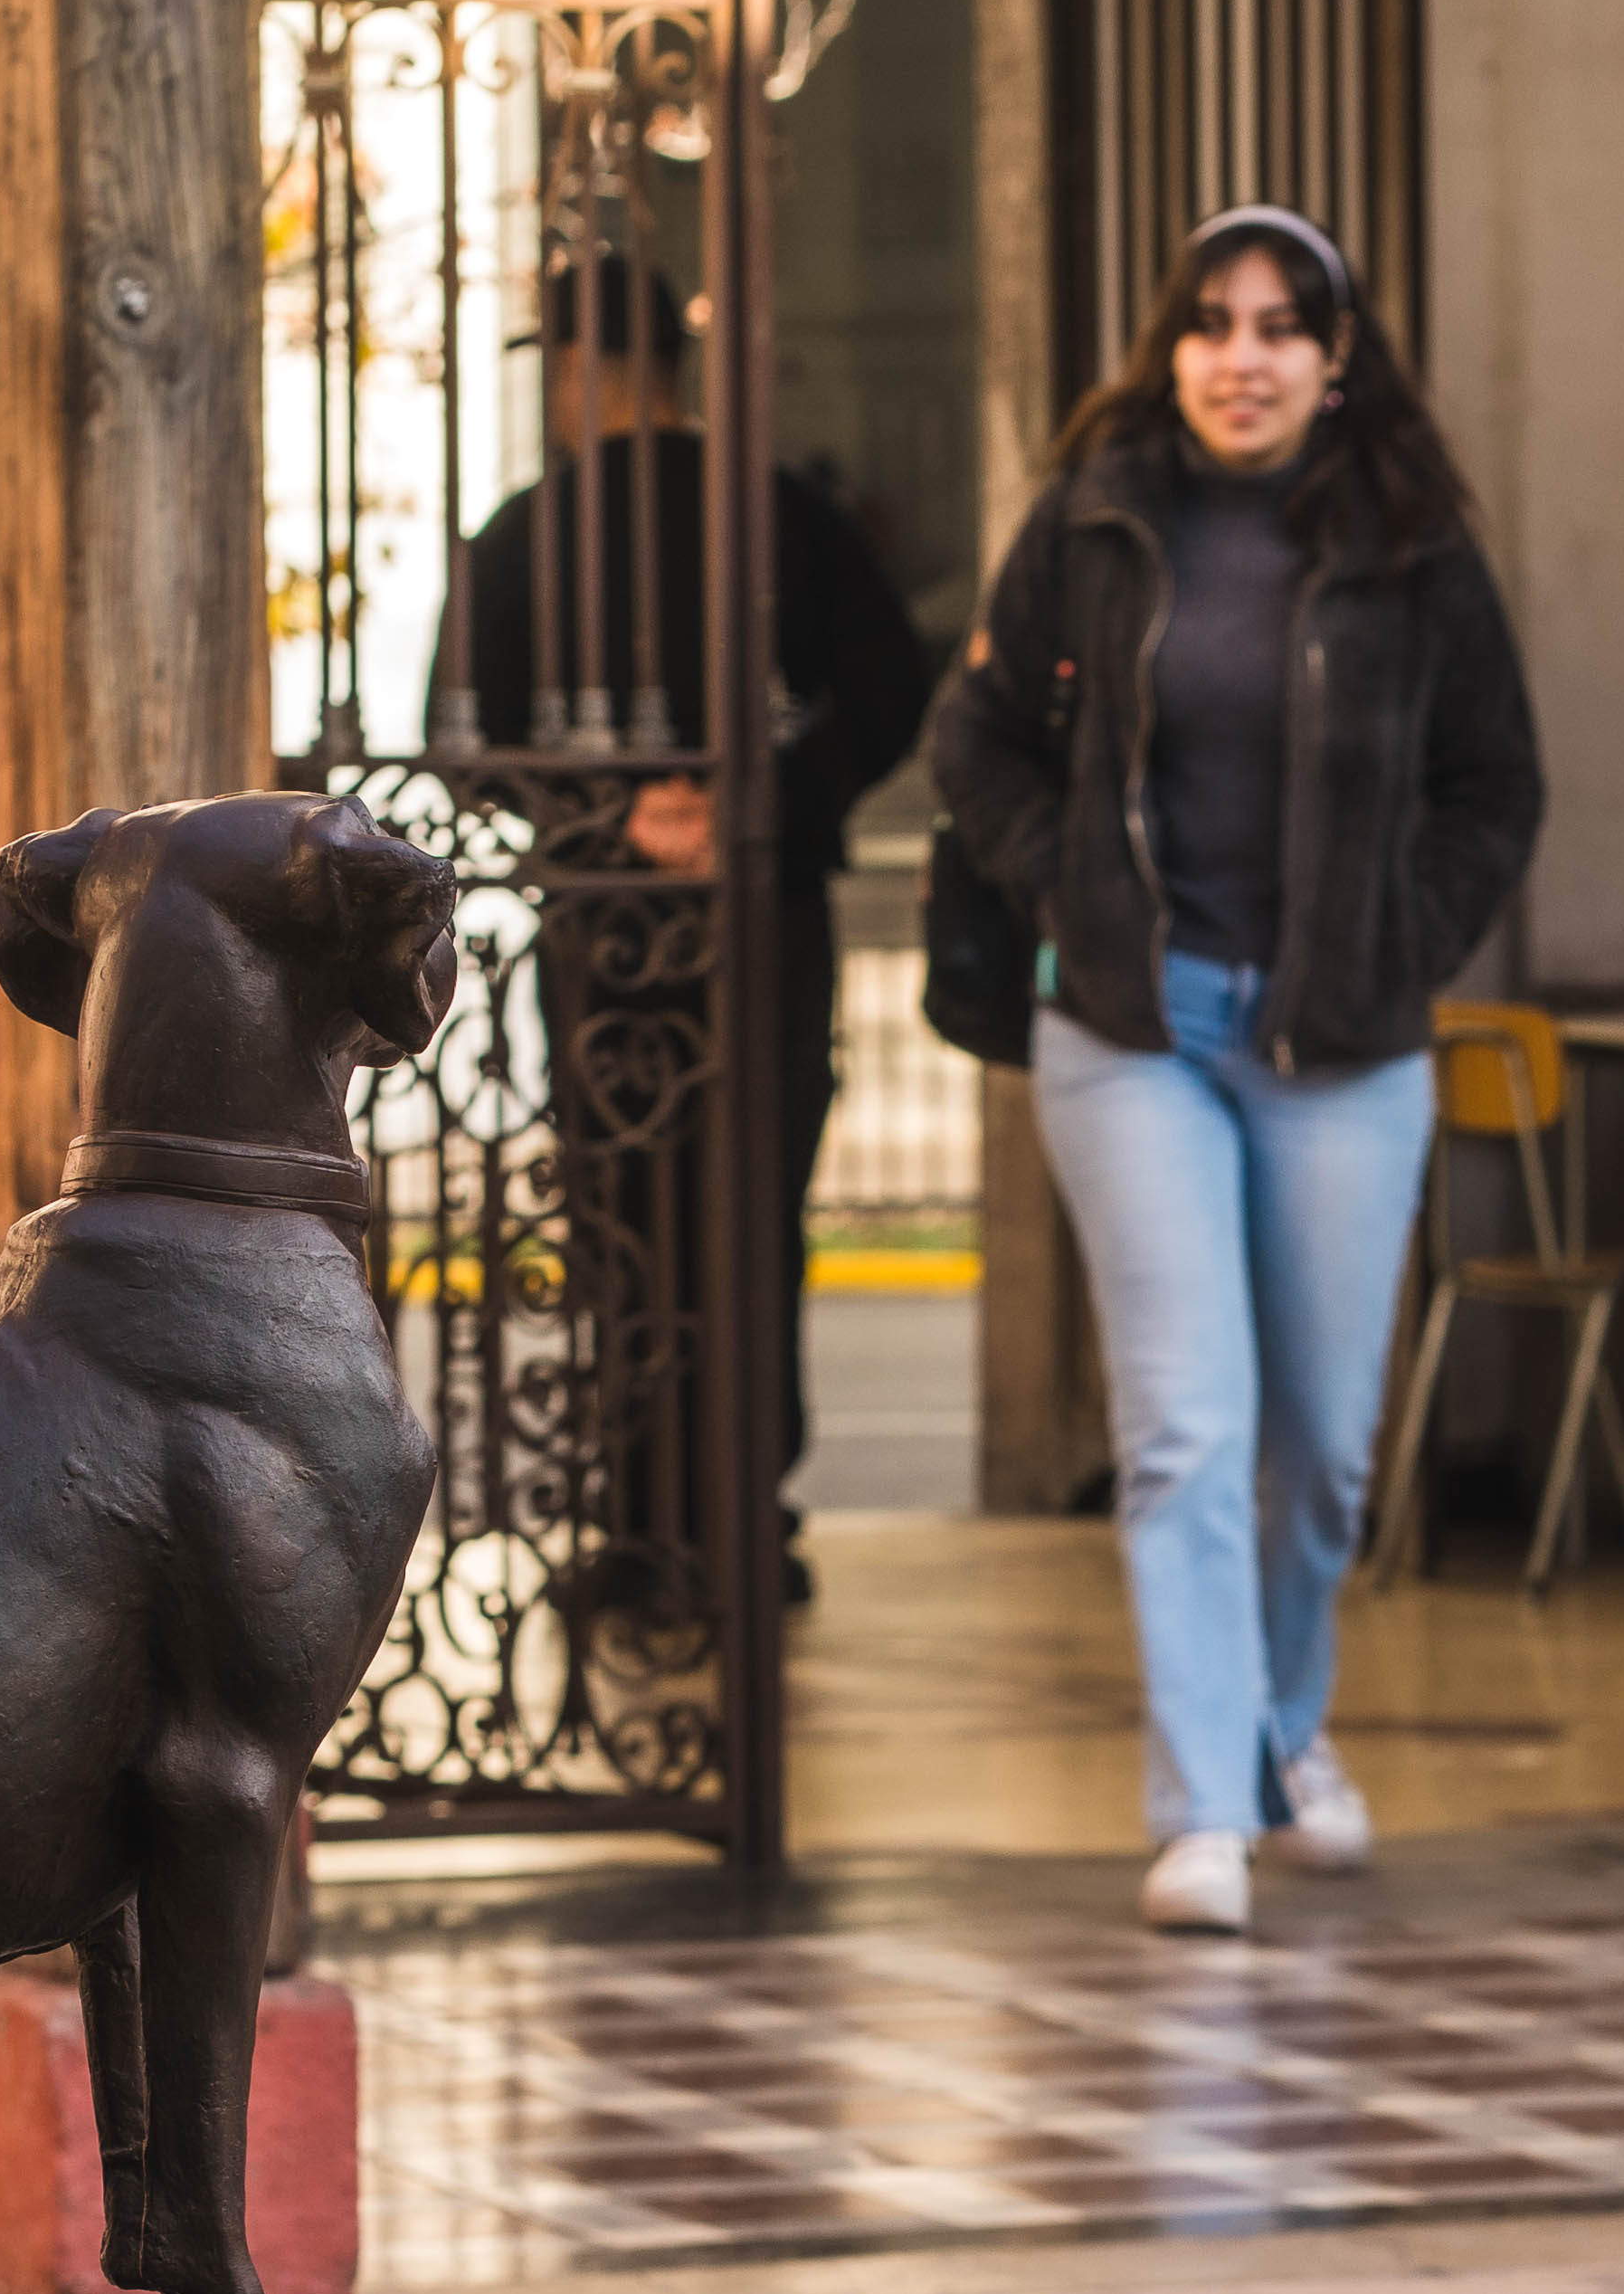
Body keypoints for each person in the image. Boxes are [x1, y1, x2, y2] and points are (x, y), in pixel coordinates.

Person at [927, 207, 1541, 1937]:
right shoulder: (1096, 521)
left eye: (1280, 328)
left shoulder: (1416, 547)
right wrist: (1067, 886)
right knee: (1189, 1425)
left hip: (1343, 1039)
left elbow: (1498, 784)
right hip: (1136, 1029)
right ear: (1171, 349)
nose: (1242, 357)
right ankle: (1204, 1802)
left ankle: (1280, 1729)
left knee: (1326, 1444)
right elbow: (975, 734)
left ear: (1335, 359)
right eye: (1211, 325)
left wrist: (1404, 938)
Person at [441, 256, 935, 1617]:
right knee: (754, 1214)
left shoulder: (527, 533)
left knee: (625, 1219)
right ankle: (746, 1523)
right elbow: (891, 687)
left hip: (601, 936)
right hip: (764, 920)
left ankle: (647, 1525)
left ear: (577, 372)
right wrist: (752, 802)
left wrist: (608, 821)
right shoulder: (779, 515)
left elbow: (464, 743)